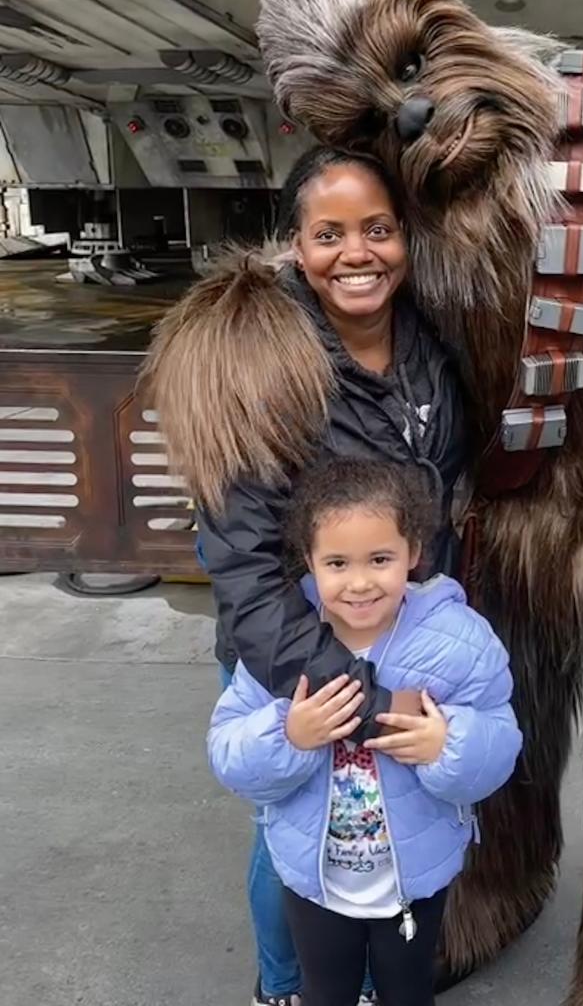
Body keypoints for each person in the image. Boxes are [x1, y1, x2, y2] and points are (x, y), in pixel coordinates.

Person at [142, 147, 467, 1006]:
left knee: (388, 820)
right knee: (294, 825)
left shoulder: (429, 340)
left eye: (377, 230)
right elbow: (242, 563)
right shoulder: (251, 357)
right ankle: (285, 985)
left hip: (397, 634)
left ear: (405, 239)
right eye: (329, 234)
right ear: (296, 243)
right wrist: (346, 688)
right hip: (293, 646)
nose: (356, 253)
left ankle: (368, 975)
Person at [208, 457, 521, 1006]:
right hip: (314, 880)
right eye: (336, 562)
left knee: (407, 989)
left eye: (380, 559)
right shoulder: (283, 647)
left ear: (414, 555)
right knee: (326, 991)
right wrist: (289, 734)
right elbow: (229, 751)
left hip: (416, 878)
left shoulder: (458, 640)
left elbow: (500, 737)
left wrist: (449, 745)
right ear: (308, 562)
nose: (359, 583)